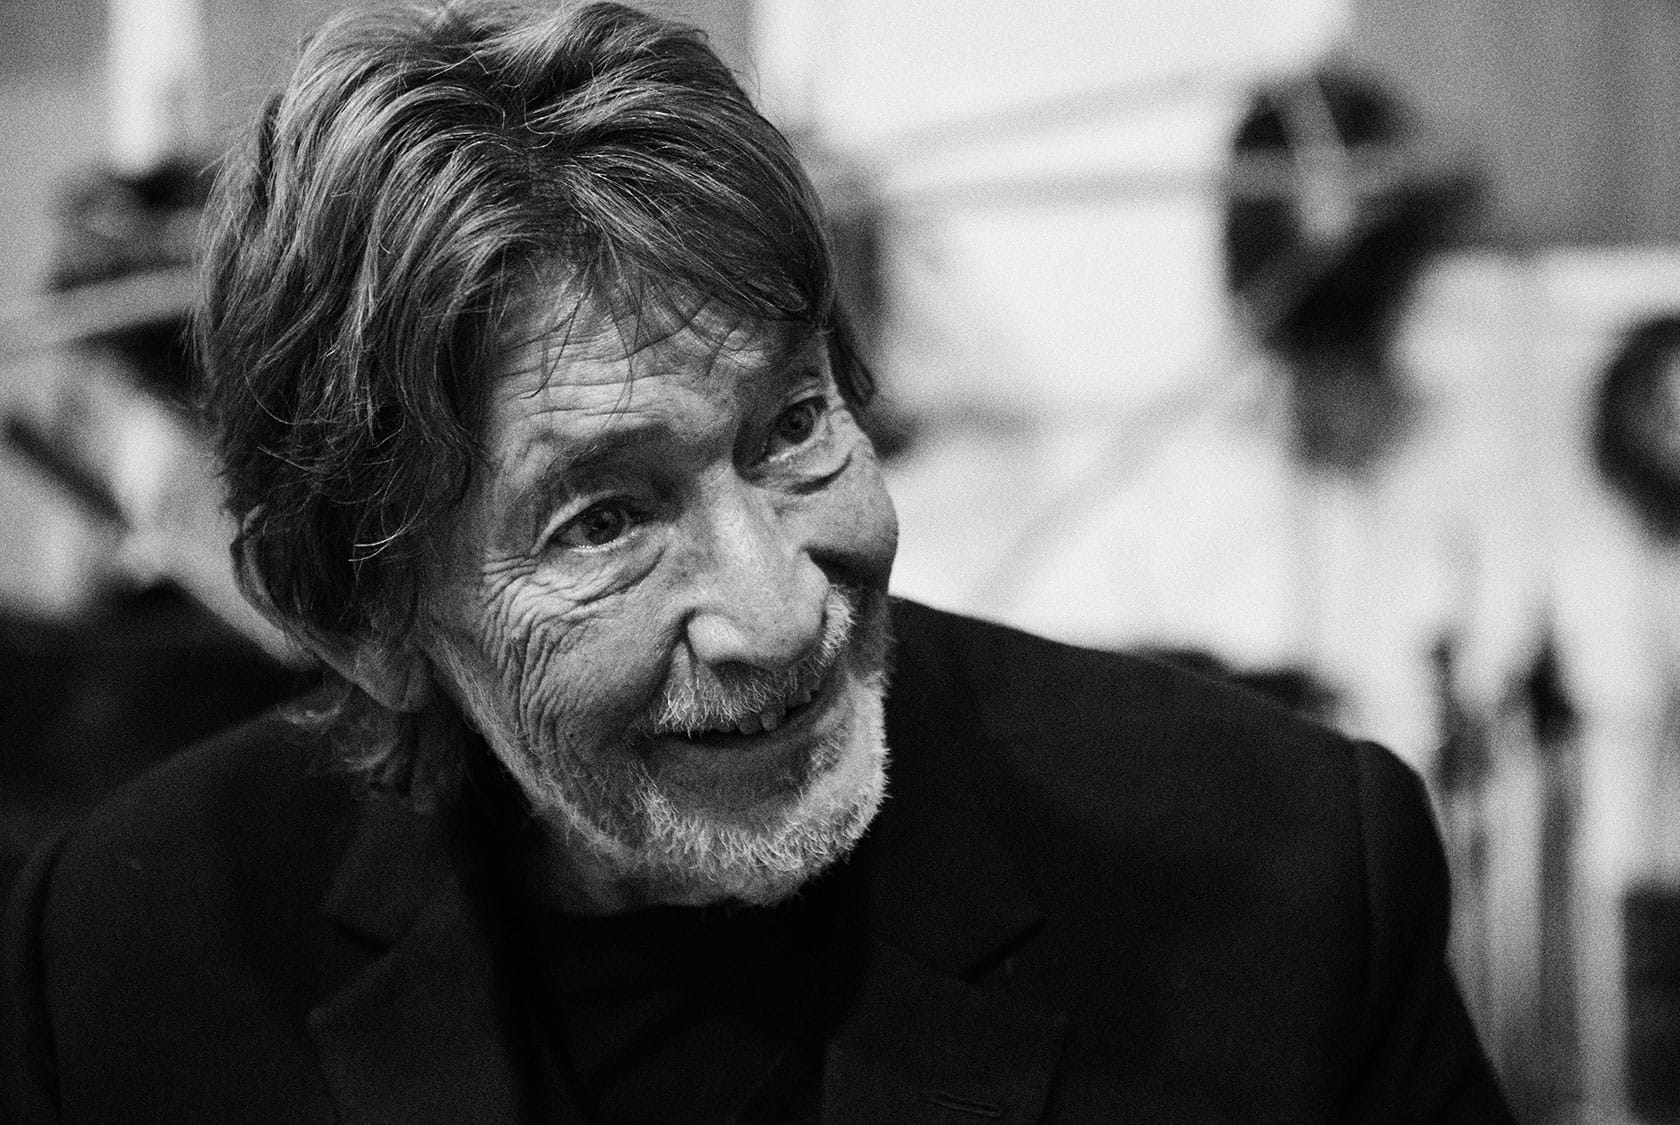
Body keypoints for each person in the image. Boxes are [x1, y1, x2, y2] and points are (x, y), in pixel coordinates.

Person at [0, 3, 1511, 1121]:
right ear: (365, 620)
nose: (782, 611)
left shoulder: (1288, 889)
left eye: (792, 427)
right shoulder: (129, 963)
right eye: (606, 519)